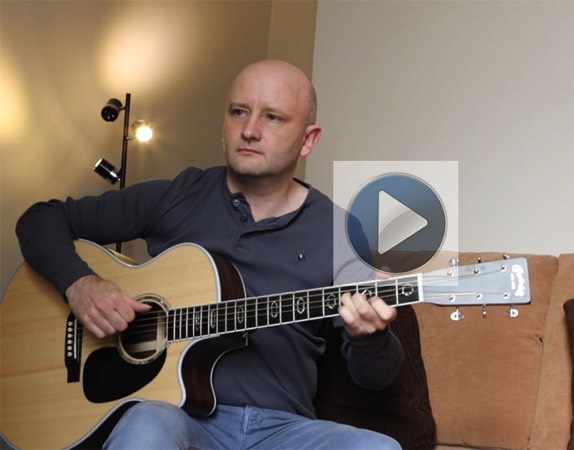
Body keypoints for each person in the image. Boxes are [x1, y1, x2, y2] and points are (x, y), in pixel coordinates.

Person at [16, 59, 404, 449]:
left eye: (272, 117)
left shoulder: (342, 233)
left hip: (282, 431)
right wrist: (80, 284)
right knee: (149, 425)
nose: (249, 131)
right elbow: (40, 220)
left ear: (308, 139)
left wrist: (369, 335)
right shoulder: (178, 196)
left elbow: (375, 377)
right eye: (239, 112)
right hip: (178, 417)